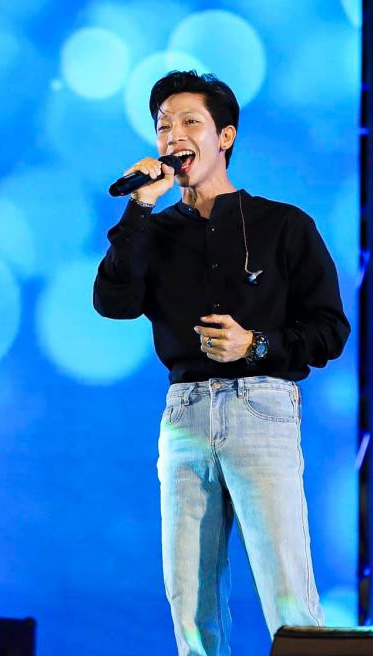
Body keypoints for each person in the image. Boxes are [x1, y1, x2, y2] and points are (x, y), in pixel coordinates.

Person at [93, 70, 350, 656]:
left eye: (190, 122)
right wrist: (139, 207)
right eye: (164, 126)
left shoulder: (283, 225)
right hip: (185, 415)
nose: (173, 135)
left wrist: (253, 344)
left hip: (261, 408)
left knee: (288, 593)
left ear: (225, 136)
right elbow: (113, 301)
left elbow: (329, 330)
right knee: (190, 603)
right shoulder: (152, 231)